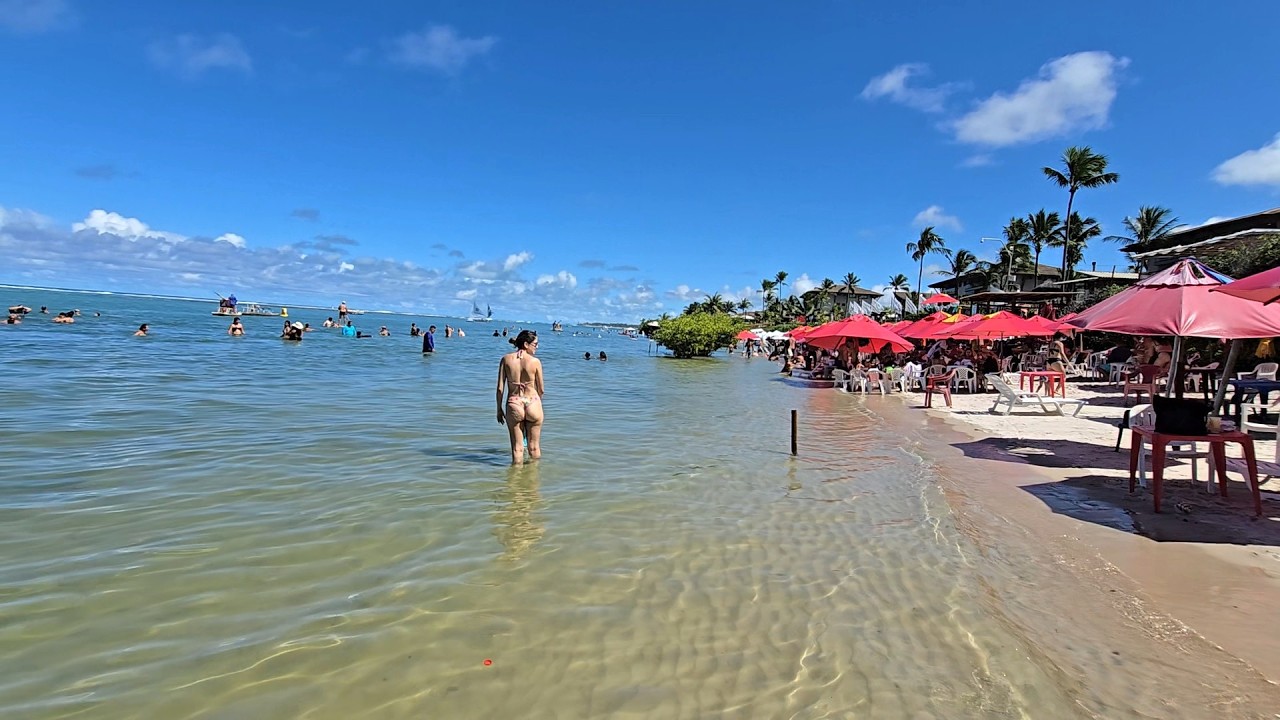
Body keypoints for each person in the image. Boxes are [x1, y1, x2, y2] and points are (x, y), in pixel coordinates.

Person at [496, 330, 544, 465]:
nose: (537, 347)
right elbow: (541, 389)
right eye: (535, 344)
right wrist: (537, 404)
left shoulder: (506, 359)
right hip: (532, 402)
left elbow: (500, 388)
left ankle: (516, 477)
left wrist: (499, 409)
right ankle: (533, 475)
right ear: (526, 344)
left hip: (514, 403)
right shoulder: (535, 362)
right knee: (534, 448)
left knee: (517, 449)